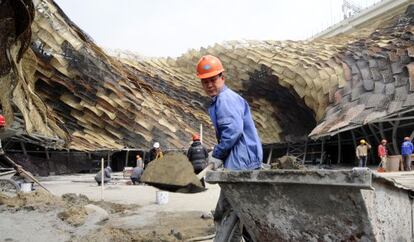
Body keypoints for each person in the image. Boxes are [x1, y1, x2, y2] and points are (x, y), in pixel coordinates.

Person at [196, 55, 262, 242]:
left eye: (213, 79)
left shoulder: (225, 99)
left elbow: (232, 131)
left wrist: (217, 154)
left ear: (222, 78)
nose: (209, 84)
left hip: (241, 163)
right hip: (243, 160)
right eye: (205, 81)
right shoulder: (224, 99)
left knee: (228, 212)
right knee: (245, 214)